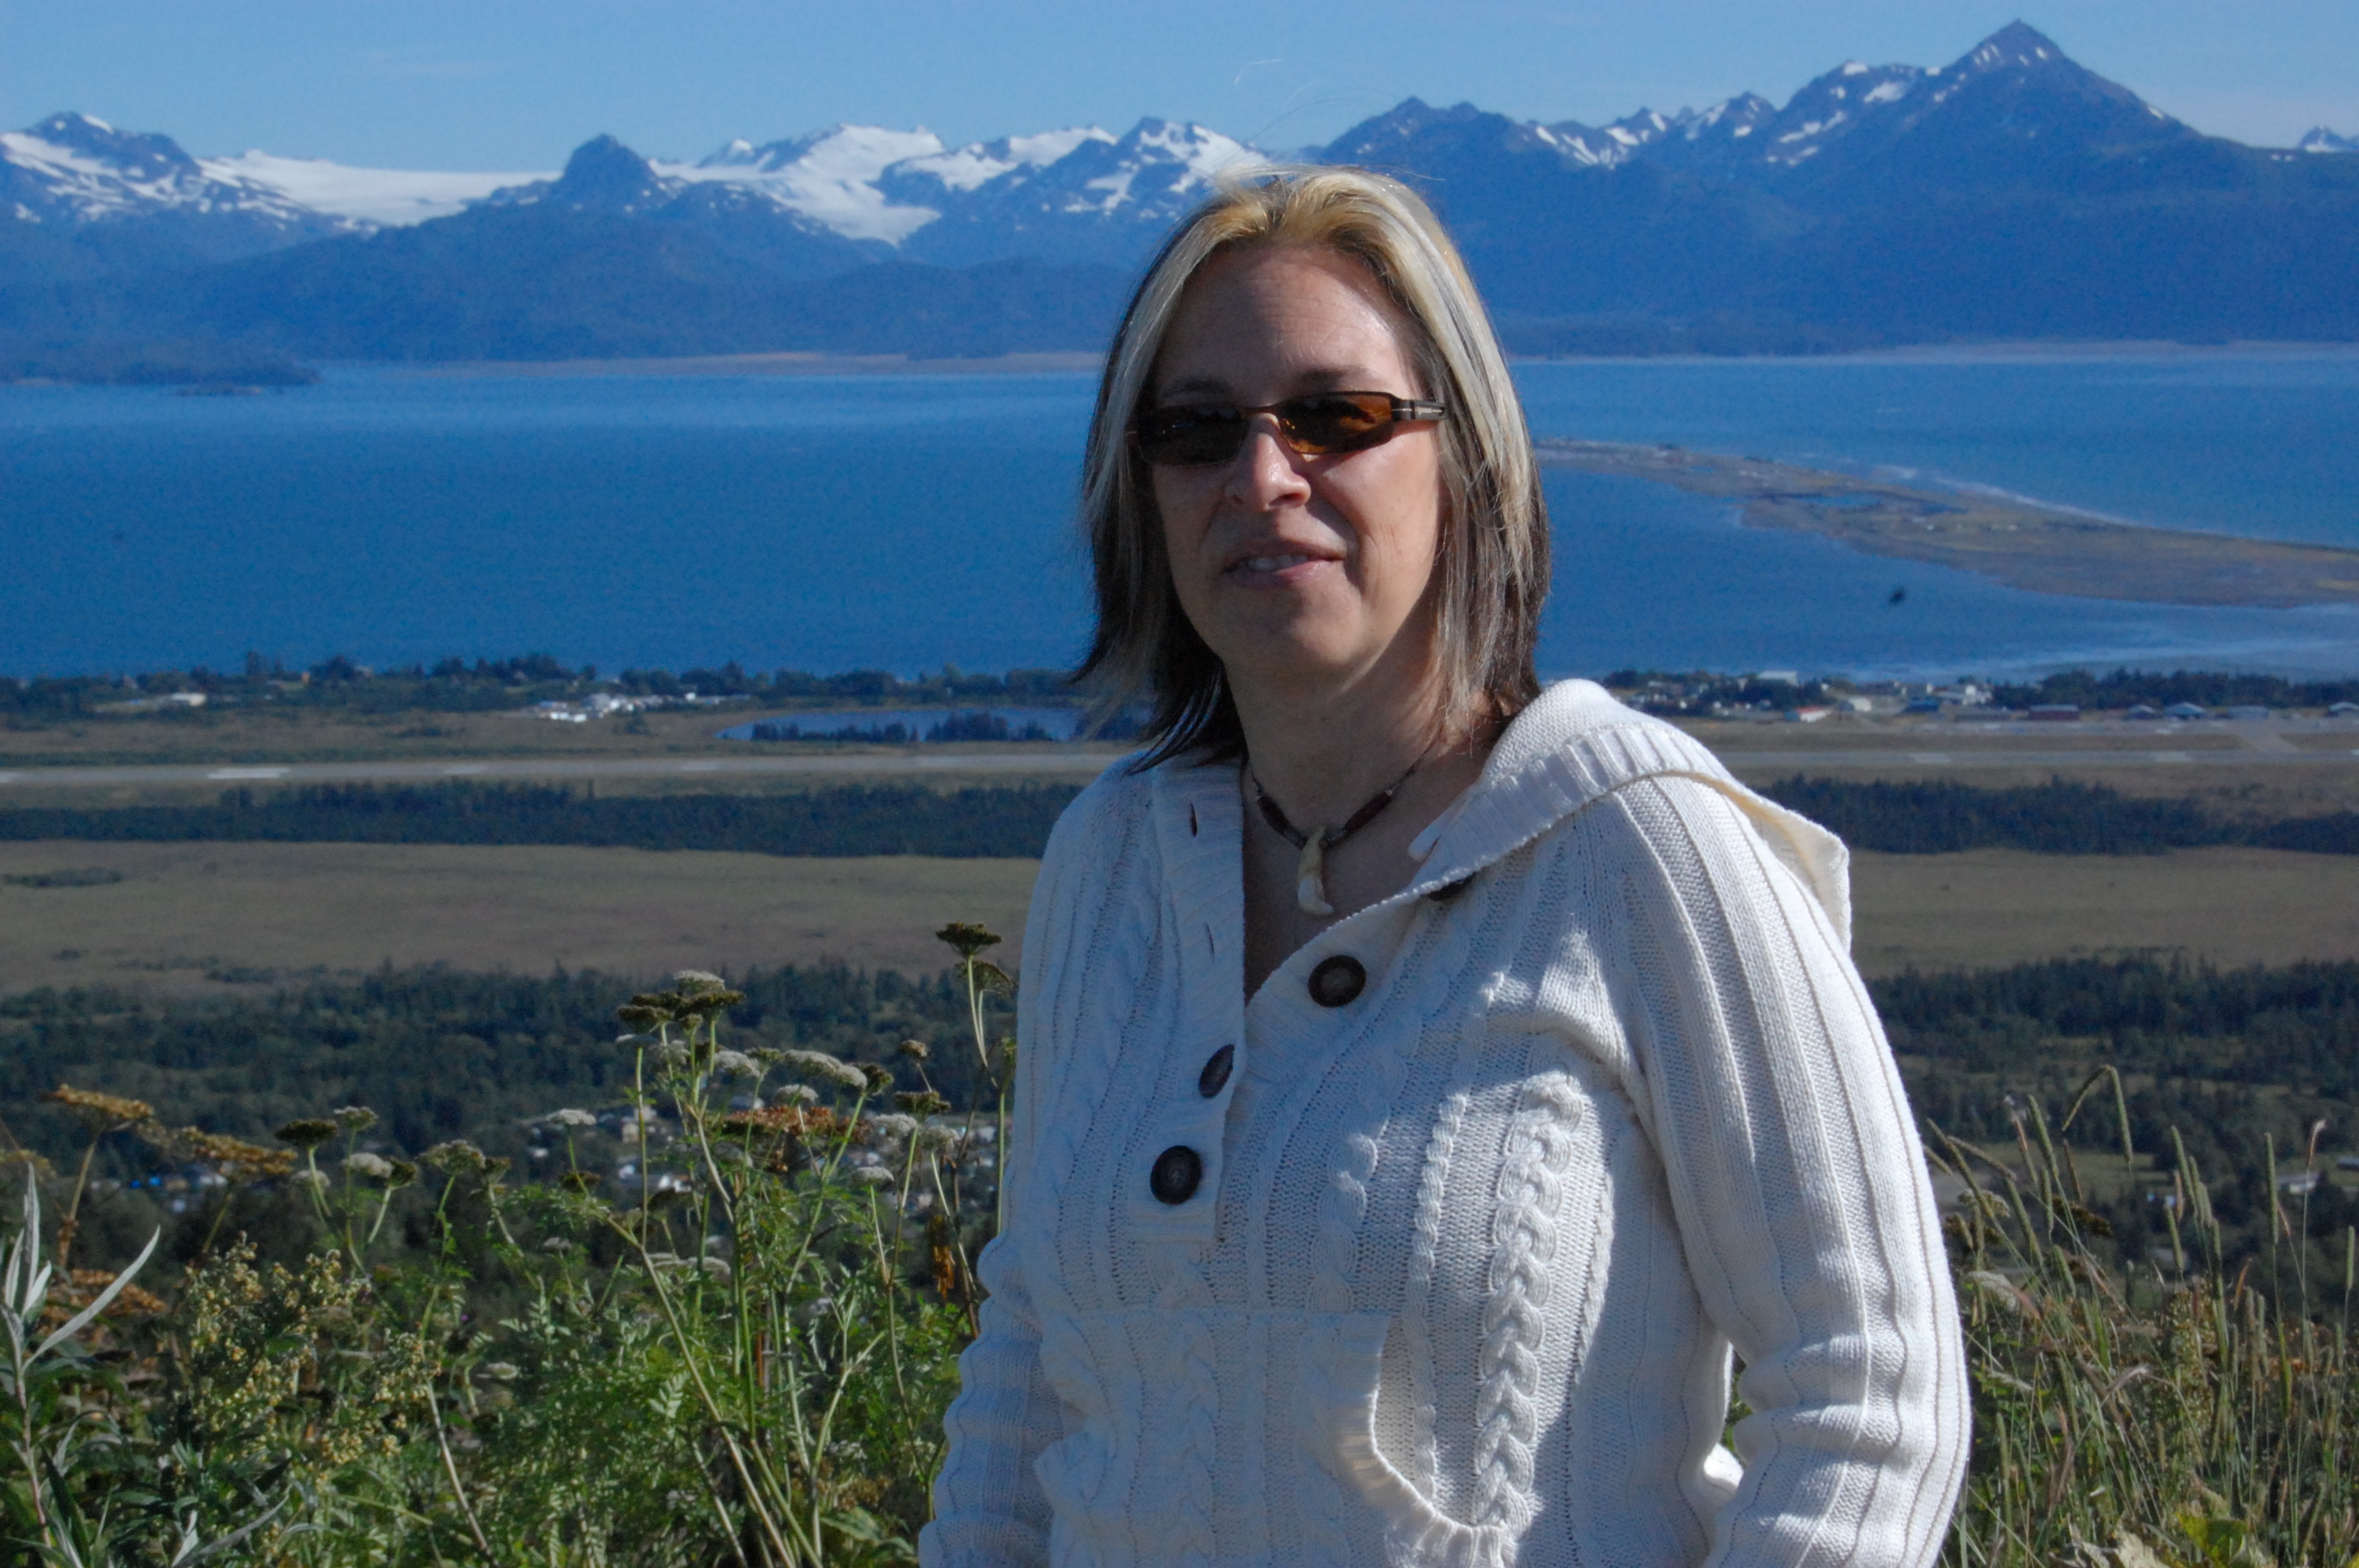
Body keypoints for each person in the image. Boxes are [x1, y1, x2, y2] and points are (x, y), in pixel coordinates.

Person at [920, 167, 1968, 1568]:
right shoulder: (1114, 862)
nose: (1263, 477)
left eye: (1337, 417)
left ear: (1466, 460)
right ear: (1142, 488)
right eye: (1197, 428)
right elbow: (1033, 1362)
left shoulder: (1637, 846)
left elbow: (1870, 1395)